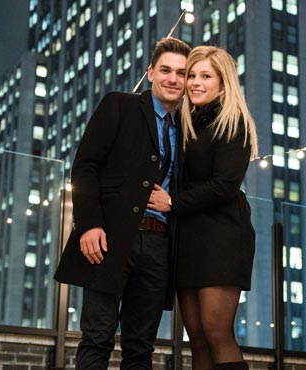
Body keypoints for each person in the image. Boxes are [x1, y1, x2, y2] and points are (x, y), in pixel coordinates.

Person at [54, 37, 191, 370]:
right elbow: (85, 167)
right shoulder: (119, 105)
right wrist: (88, 224)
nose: (173, 79)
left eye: (181, 73)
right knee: (97, 338)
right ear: (151, 72)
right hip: (109, 238)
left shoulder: (188, 130)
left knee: (141, 347)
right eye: (166, 70)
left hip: (159, 246)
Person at [148, 46, 258, 370]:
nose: (194, 82)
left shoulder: (232, 120)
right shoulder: (187, 122)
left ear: (223, 84)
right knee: (196, 337)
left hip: (221, 237)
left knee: (216, 332)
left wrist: (172, 202)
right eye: (191, 75)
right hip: (189, 238)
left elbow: (224, 186)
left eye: (205, 76)